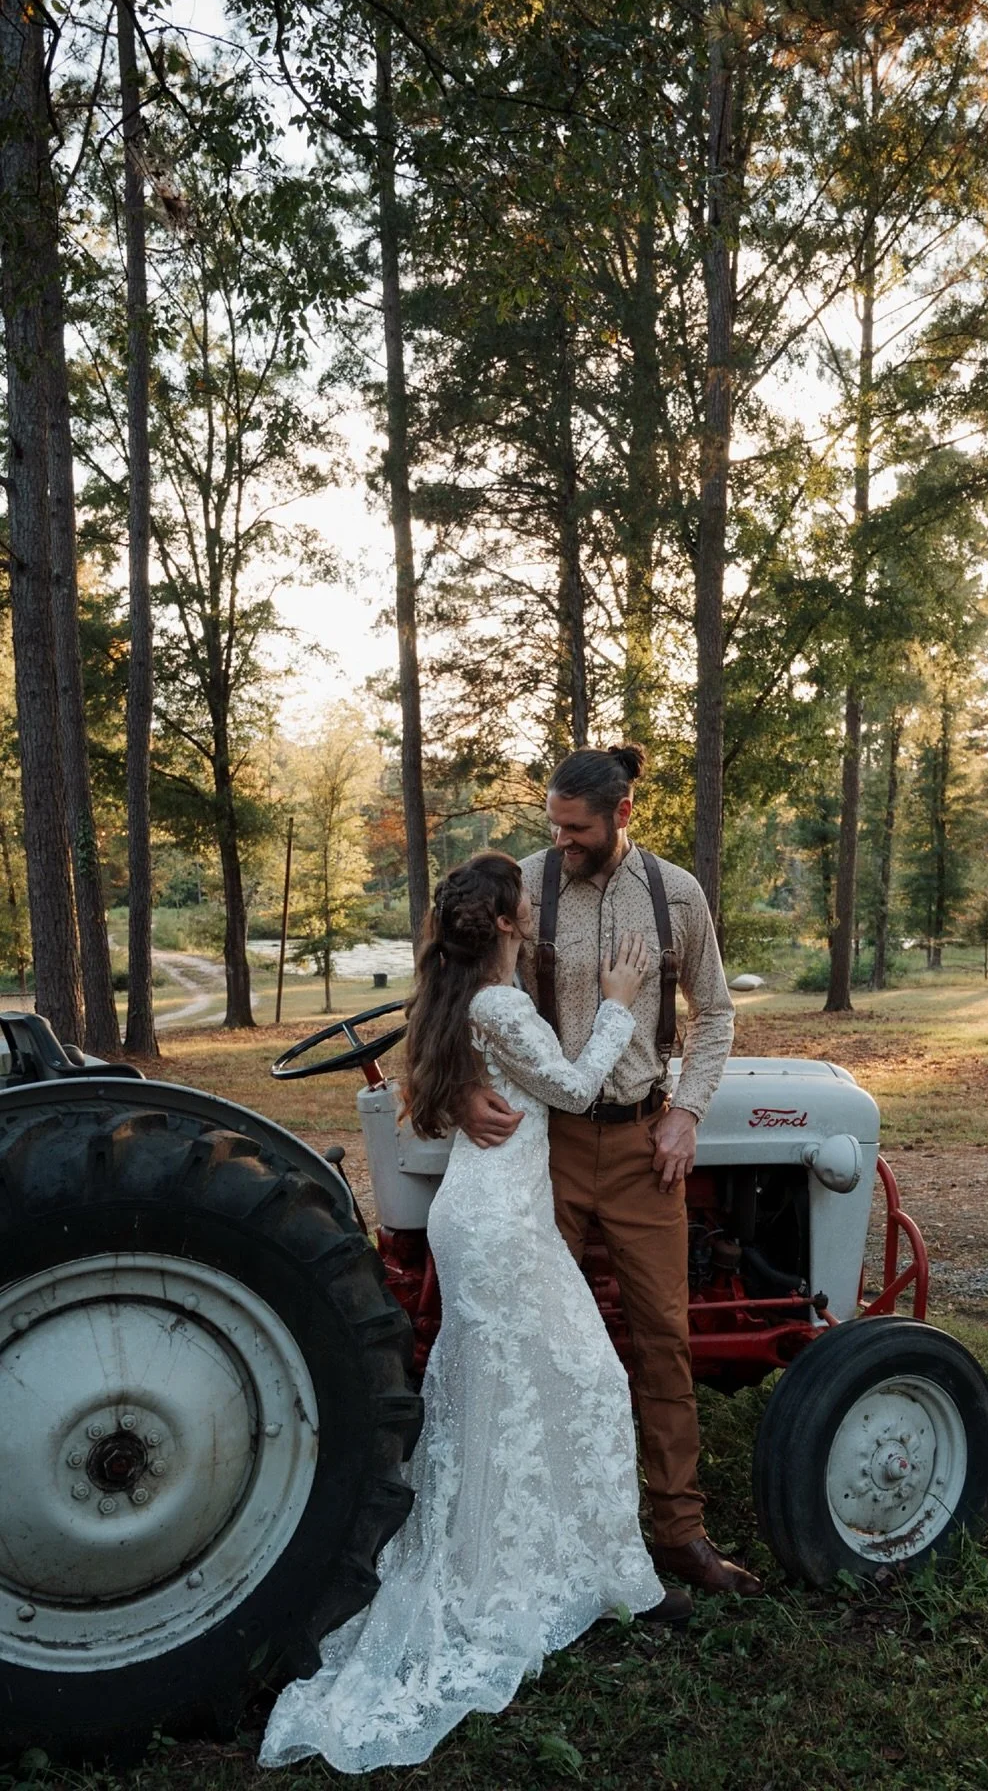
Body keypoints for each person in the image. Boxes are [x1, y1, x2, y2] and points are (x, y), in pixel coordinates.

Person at [260, 853, 682, 1774]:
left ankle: (556, 1556)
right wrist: (619, 1003)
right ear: (503, 920)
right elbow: (575, 1089)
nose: (535, 898)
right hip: (498, 1225)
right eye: (523, 897)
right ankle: (519, 1571)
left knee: (521, 1388)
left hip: (492, 1214)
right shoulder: (498, 1005)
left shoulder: (466, 998)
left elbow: (487, 1079)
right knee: (577, 1380)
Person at [462, 744, 760, 1598]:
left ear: (622, 814)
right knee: (534, 1338)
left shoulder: (677, 896)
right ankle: (544, 1534)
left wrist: (687, 1111)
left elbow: (716, 1014)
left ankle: (680, 1534)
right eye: (552, 825)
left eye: (576, 829)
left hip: (641, 1149)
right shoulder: (523, 886)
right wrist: (462, 1088)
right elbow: (454, 992)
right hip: (541, 1150)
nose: (560, 841)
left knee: (664, 1341)